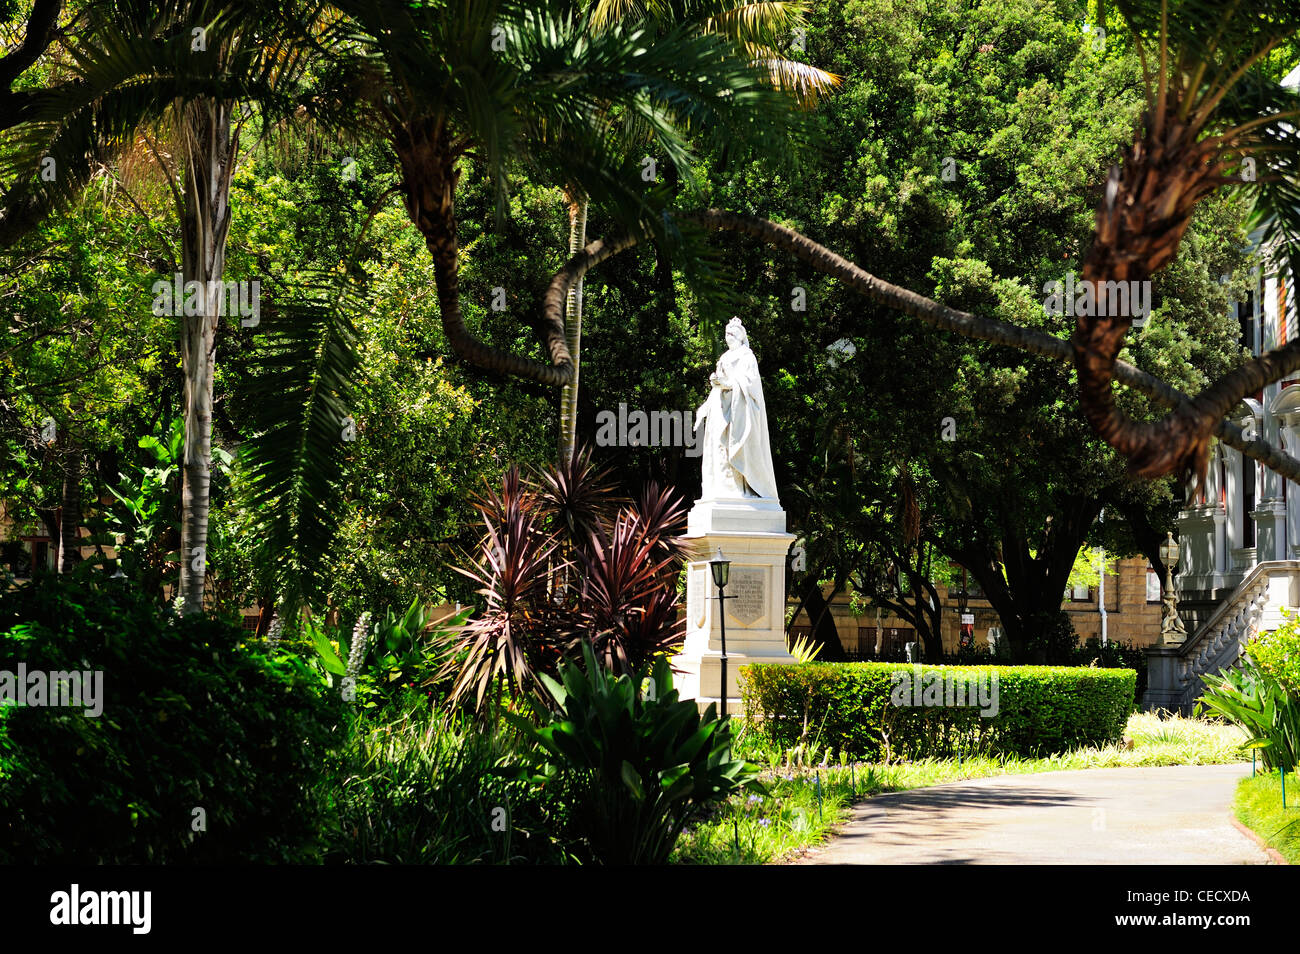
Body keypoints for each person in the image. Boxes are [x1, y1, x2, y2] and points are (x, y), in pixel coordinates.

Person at [694, 317, 779, 500]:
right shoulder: (724, 357)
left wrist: (728, 383)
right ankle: (722, 489)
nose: (728, 336)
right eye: (726, 333)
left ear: (741, 336)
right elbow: (719, 383)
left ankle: (742, 489)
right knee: (719, 447)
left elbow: (750, 384)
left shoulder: (747, 356)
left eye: (732, 333)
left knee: (737, 447)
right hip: (721, 408)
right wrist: (715, 387)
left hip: (740, 409)